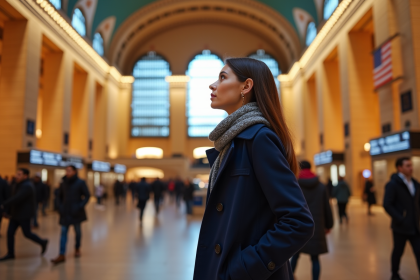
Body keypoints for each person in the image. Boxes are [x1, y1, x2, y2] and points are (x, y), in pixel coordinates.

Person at [193, 58, 314, 280]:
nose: (213, 85)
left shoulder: (259, 139)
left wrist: (244, 269)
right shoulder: (232, 143)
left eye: (222, 77)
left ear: (246, 87)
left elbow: (299, 221)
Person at [291, 161, 333, 280]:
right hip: (317, 226)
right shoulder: (321, 186)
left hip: (298, 225)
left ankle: (290, 276)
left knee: (295, 254)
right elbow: (326, 207)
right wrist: (329, 225)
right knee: (315, 258)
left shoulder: (295, 184)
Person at [383, 157, 420, 280]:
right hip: (401, 227)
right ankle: (395, 274)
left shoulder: (415, 183)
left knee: (419, 251)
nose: (411, 168)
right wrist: (400, 218)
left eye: (411, 165)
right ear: (400, 168)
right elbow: (387, 204)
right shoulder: (393, 184)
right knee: (398, 251)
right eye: (407, 165)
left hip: (415, 225)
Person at [0, 168, 48, 261]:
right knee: (10, 233)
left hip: (24, 215)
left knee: (27, 234)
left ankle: (42, 242)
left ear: (25, 176)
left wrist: (3, 204)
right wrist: (8, 211)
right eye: (17, 174)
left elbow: (17, 198)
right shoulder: (17, 184)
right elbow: (12, 197)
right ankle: (10, 253)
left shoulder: (27, 186)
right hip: (15, 214)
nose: (17, 176)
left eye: (19, 174)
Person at [51, 165, 90, 264]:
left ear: (74, 172)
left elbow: (87, 195)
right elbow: (59, 196)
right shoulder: (63, 183)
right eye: (66, 170)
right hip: (65, 212)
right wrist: (59, 207)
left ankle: (77, 248)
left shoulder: (80, 182)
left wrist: (80, 206)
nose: (67, 172)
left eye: (69, 170)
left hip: (76, 212)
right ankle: (61, 254)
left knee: (77, 232)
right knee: (63, 232)